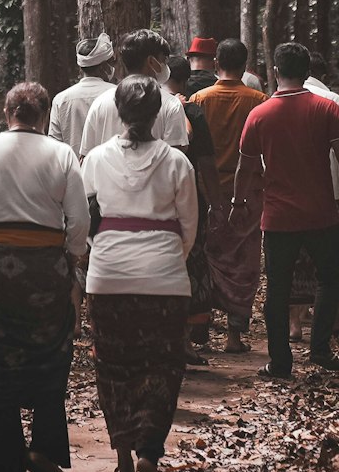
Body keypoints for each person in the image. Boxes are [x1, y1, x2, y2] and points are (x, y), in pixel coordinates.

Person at [0, 81, 89, 472]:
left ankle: (5, 471)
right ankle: (44, 447)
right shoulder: (61, 154)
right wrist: (69, 259)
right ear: (44, 116)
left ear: (7, 112)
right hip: (45, 269)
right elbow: (79, 221)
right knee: (51, 352)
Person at [232, 41, 339, 379]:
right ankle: (320, 349)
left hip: (278, 217)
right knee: (330, 279)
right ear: (308, 72)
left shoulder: (259, 114)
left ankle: (280, 362)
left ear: (275, 71)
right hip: (321, 213)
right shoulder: (326, 109)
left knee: (278, 289)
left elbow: (246, 168)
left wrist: (238, 204)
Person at [82, 76, 199, 472]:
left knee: (113, 365)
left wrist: (105, 250)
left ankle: (122, 461)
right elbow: (189, 227)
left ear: (119, 111)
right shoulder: (176, 163)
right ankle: (149, 452)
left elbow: (85, 221)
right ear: (157, 114)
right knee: (163, 365)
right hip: (165, 276)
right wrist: (168, 259)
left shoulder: (94, 159)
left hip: (108, 275)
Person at [191, 37, 266, 353]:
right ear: (245, 66)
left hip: (206, 192)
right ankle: (234, 336)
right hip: (247, 193)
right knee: (243, 263)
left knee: (207, 260)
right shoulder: (259, 100)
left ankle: (201, 330)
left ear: (216, 65)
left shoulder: (198, 99)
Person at [167, 56, 224, 361]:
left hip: (153, 202)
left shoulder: (145, 110)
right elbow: (206, 164)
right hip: (188, 199)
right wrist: (216, 204)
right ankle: (186, 340)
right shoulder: (192, 113)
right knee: (191, 262)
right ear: (186, 80)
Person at [79, 29, 187, 158]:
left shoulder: (100, 102)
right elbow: (175, 159)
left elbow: (85, 157)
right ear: (151, 62)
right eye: (163, 60)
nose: (165, 65)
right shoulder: (171, 104)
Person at [48, 32, 115, 156]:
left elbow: (54, 145)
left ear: (80, 68)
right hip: (110, 172)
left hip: (73, 172)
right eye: (111, 63)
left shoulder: (61, 99)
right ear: (103, 67)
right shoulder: (118, 94)